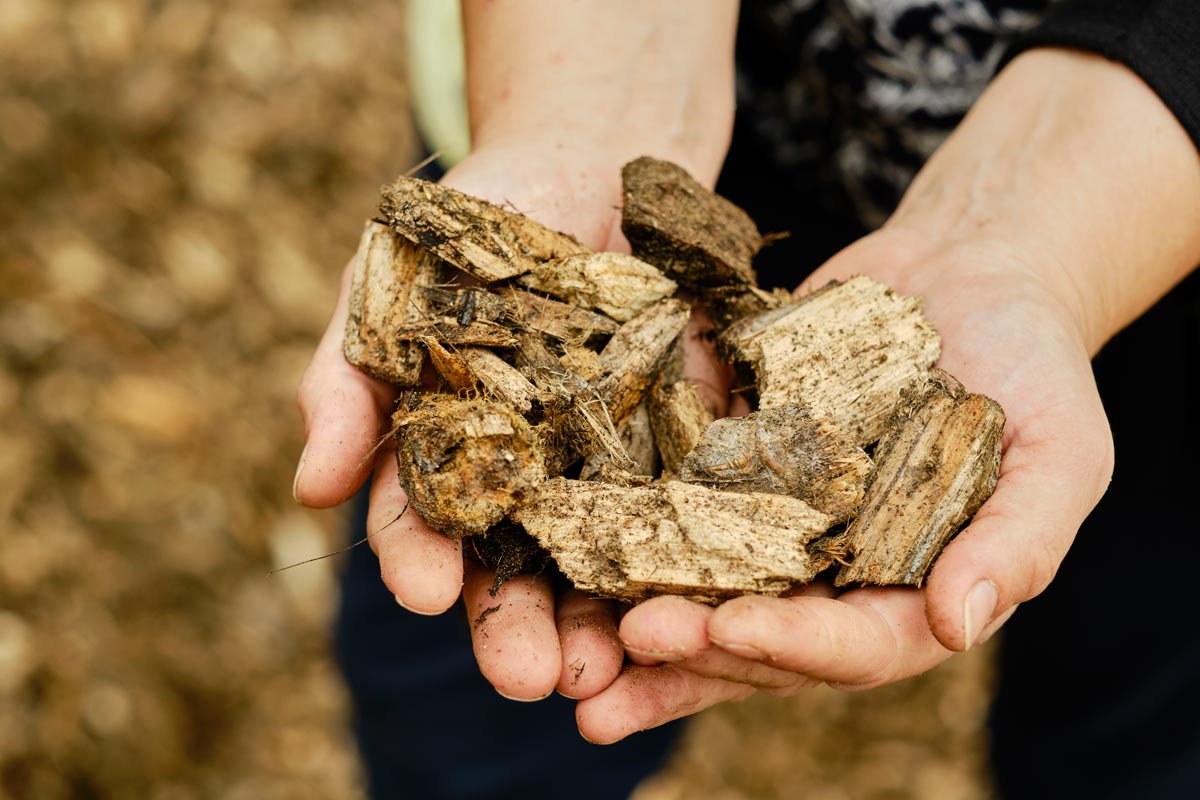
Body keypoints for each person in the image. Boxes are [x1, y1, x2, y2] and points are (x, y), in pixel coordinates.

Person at [295, 1, 1200, 797]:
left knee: (1131, 723)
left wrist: (1050, 236)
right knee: (466, 722)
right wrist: (582, 93)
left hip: (1150, 196)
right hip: (678, 81)